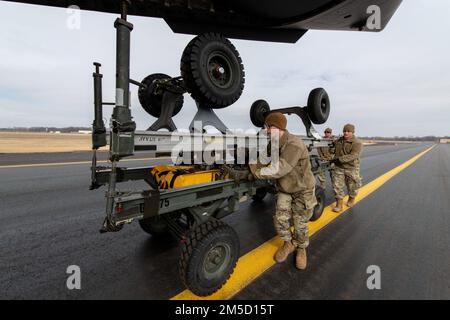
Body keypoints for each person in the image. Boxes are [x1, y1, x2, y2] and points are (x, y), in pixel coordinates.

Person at [226, 112, 316, 269]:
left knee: (300, 224)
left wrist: (253, 175)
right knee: (280, 219)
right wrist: (248, 163)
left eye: (269, 127)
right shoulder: (273, 143)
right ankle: (288, 243)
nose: (266, 130)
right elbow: (263, 159)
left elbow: (279, 169)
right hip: (285, 188)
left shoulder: (294, 144)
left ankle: (301, 248)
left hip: (303, 190)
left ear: (279, 127)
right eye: (266, 127)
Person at [330, 124, 363, 212]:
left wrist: (339, 159)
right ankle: (339, 204)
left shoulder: (357, 143)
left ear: (352, 132)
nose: (346, 133)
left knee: (353, 186)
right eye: (344, 131)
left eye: (348, 131)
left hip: (351, 167)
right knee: (336, 186)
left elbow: (354, 155)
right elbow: (332, 147)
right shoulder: (339, 141)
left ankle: (351, 198)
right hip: (339, 167)